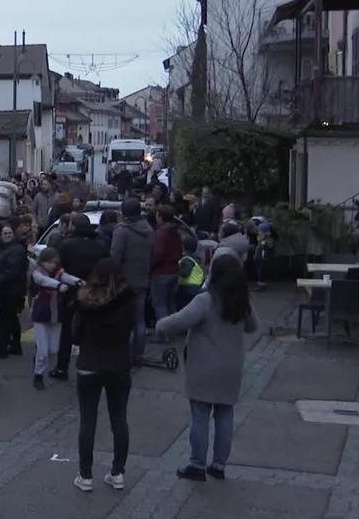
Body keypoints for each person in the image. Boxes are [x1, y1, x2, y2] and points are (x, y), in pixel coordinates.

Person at [157, 255, 258, 481]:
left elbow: (178, 321)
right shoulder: (242, 301)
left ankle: (197, 464)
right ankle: (219, 464)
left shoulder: (206, 300)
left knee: (200, 415)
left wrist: (160, 325)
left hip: (204, 365)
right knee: (225, 414)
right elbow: (253, 327)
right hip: (231, 366)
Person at [72, 258, 135, 492]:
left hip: (90, 363)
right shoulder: (127, 302)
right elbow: (132, 328)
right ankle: (117, 472)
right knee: (119, 418)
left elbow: (75, 335)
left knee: (88, 420)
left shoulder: (85, 301)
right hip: (118, 364)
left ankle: (85, 475)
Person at [53, 214, 108, 378]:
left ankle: (62, 368)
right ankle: (90, 366)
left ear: (73, 226)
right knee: (91, 329)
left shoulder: (65, 245)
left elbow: (57, 267)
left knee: (66, 330)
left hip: (70, 292)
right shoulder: (101, 245)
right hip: (93, 291)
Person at [29, 247, 82, 390]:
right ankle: (38, 375)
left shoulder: (59, 273)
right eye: (50, 262)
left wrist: (79, 282)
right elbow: (44, 281)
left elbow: (68, 277)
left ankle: (39, 358)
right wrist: (58, 286)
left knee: (53, 349)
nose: (53, 265)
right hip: (41, 314)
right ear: (43, 262)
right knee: (43, 351)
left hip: (56, 315)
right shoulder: (37, 273)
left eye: (55, 262)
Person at [110, 199, 154, 364]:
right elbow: (152, 254)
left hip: (123, 281)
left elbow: (115, 257)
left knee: (124, 320)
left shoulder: (121, 231)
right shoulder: (148, 230)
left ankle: (125, 355)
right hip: (142, 279)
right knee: (139, 319)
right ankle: (138, 354)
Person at [0, 223, 30, 358]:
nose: (7, 235)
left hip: (10, 290)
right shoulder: (2, 248)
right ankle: (15, 346)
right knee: (11, 318)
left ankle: (1, 350)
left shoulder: (16, 250)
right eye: (5, 233)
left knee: (5, 320)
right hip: (7, 288)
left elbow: (10, 271)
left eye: (9, 233)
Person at [149, 205, 182, 329]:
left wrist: (150, 266)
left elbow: (158, 253)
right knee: (171, 303)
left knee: (160, 304)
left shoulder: (161, 233)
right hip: (174, 270)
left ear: (161, 217)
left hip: (161, 272)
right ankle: (174, 329)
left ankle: (163, 333)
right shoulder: (176, 231)